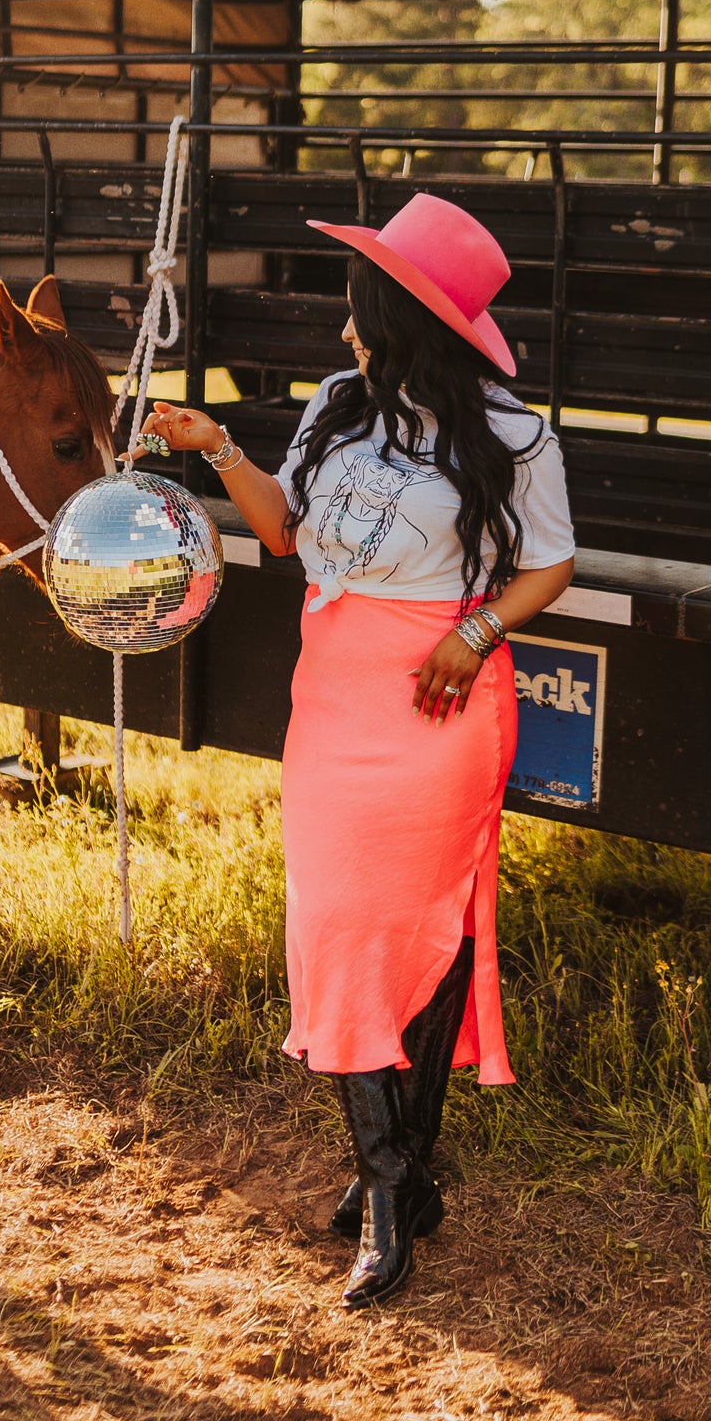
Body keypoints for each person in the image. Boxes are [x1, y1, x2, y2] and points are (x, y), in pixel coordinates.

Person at [138, 194, 574, 1308]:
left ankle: (388, 1194)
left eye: (357, 310)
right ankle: (401, 1176)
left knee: (413, 940)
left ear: (403, 315)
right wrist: (215, 447)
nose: (342, 331)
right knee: (334, 929)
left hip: (435, 709)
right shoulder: (340, 404)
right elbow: (283, 531)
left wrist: (472, 635)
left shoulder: (512, 435)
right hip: (330, 705)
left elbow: (547, 568)